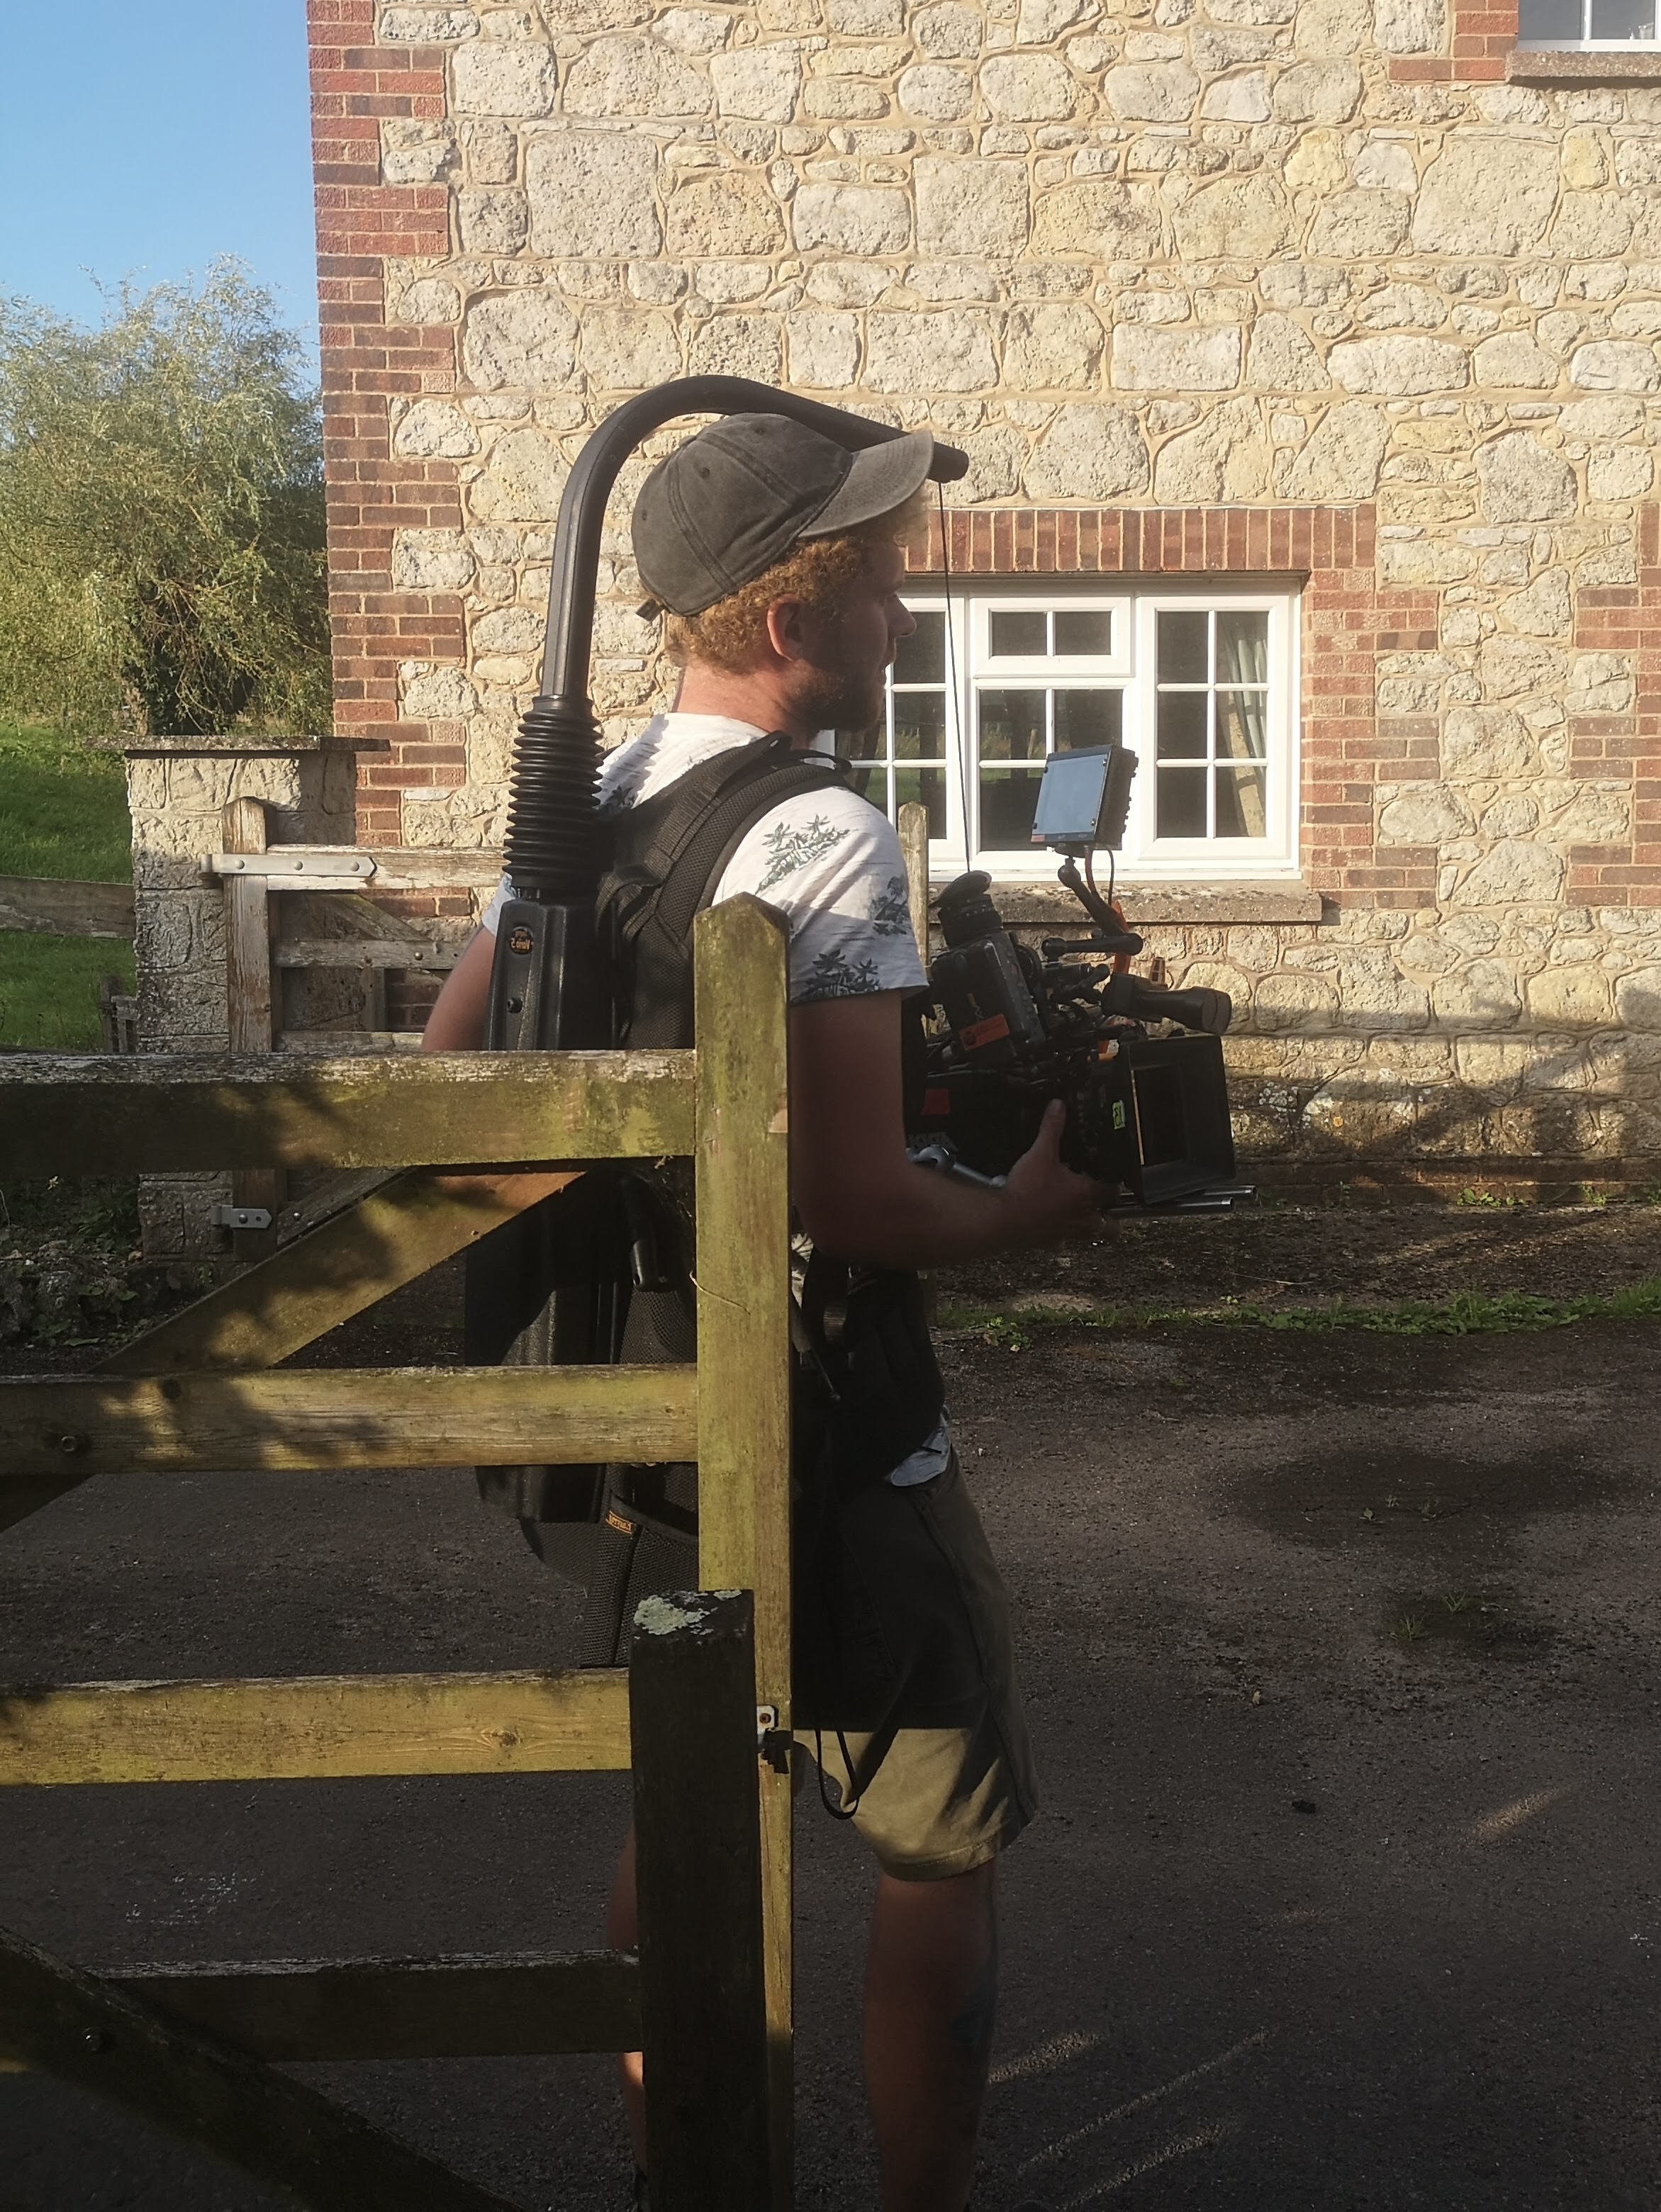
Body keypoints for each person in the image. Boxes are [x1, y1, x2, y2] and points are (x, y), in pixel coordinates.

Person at [420, 412, 1104, 2212]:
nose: (903, 608)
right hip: (825, 1422)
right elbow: (859, 1201)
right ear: (793, 613)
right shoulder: (820, 834)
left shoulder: (597, 799)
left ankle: (689, 2177)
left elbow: (446, 1083)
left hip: (635, 1422)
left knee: (691, 1809)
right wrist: (1023, 1208)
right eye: (880, 579)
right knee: (932, 1845)